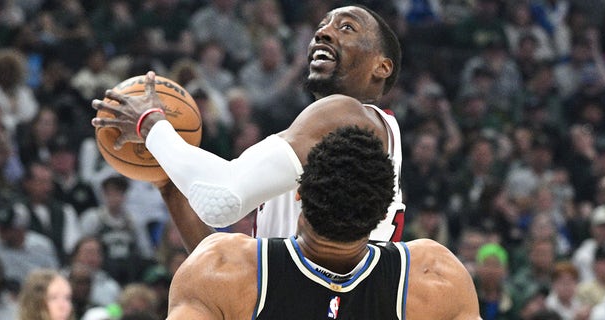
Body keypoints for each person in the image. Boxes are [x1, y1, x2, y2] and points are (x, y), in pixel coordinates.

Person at [92, 5, 406, 246]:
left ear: (382, 66)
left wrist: (152, 125)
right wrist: (169, 183)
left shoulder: (346, 114)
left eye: (347, 27)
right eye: (321, 26)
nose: (322, 33)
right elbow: (221, 275)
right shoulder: (329, 137)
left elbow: (224, 198)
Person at [164, 126, 480, 319]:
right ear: (384, 212)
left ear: (298, 194)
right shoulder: (435, 276)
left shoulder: (222, 265)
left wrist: (166, 173)